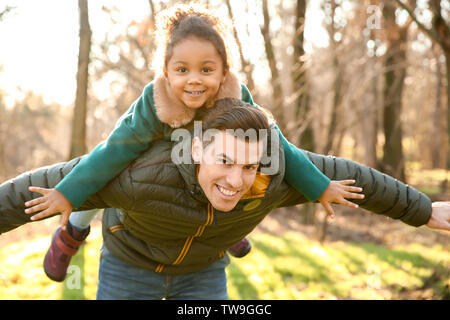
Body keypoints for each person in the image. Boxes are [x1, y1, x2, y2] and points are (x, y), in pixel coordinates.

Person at [22, 4, 357, 282]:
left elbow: (278, 147)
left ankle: (227, 229)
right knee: (109, 171)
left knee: (238, 167)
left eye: (206, 69)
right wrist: (66, 193)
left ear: (224, 72)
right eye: (182, 69)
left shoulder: (237, 97)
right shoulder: (153, 106)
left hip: (208, 175)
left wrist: (320, 187)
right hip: (149, 167)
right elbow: (110, 155)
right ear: (166, 72)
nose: (194, 79)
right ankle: (72, 234)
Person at [0, 99, 448, 299]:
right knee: (86, 194)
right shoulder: (141, 172)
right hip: (129, 265)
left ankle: (228, 233)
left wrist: (424, 211)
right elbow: (32, 188)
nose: (237, 178)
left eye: (249, 165)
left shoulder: (276, 176)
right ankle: (71, 236)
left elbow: (352, 177)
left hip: (202, 272)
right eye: (225, 161)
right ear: (197, 149)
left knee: (231, 204)